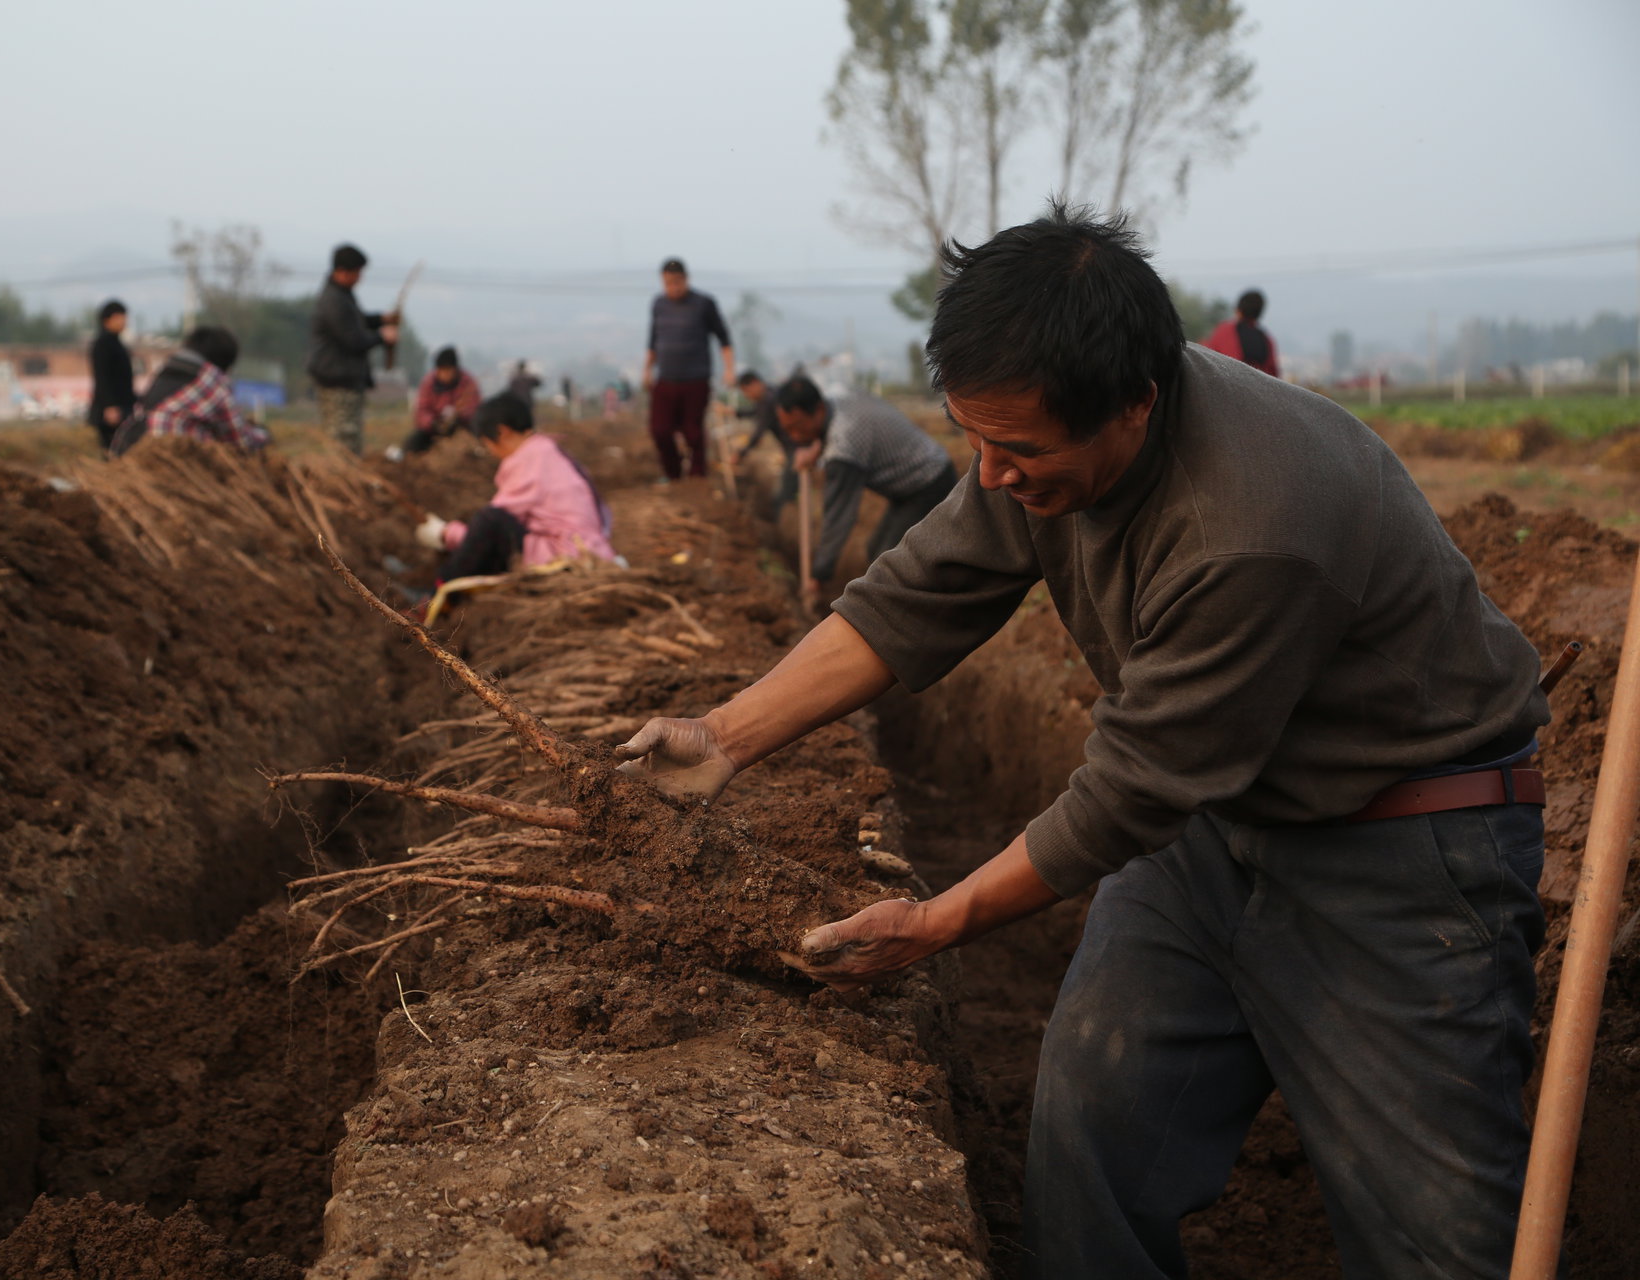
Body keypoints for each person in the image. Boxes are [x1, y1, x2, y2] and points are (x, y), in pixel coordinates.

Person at [616, 206, 1551, 1278]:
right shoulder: (1040, 425)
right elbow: (918, 592)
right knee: (1090, 1135)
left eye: (1016, 451)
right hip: (1211, 828)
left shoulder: (1252, 526)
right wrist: (722, 735)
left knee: (1428, 1233)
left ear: (1136, 406)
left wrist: (935, 920)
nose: (993, 474)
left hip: (1400, 855)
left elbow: (1128, 790)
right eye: (974, 438)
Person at [773, 374, 956, 609]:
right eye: (788, 430)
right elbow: (827, 429)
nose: (794, 436)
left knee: (889, 563)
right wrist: (815, 449)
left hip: (929, 481)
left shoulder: (844, 447)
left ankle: (916, 616)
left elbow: (839, 516)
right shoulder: (836, 400)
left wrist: (818, 574)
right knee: (876, 552)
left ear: (817, 410)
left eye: (797, 427)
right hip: (909, 485)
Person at [415, 392, 617, 582]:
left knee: (489, 520)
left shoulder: (530, 460)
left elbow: (487, 531)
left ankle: (435, 596)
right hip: (590, 549)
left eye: (487, 445)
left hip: (568, 557)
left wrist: (445, 534)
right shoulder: (547, 451)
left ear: (502, 432)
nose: (491, 453)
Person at [112, 326, 269, 456]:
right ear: (225, 362)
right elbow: (240, 440)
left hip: (130, 447)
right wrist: (264, 437)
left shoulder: (167, 371)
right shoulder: (213, 380)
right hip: (173, 458)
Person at [643, 257, 734, 482]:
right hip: (666, 379)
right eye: (667, 283)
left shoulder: (704, 303)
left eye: (676, 282)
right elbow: (653, 341)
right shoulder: (659, 304)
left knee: (692, 431)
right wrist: (647, 370)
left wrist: (729, 369)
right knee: (660, 430)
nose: (672, 288)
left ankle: (697, 476)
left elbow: (724, 339)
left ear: (685, 279)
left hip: (695, 379)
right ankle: (673, 474)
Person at [308, 244, 399, 454]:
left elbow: (355, 322)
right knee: (343, 440)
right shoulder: (334, 301)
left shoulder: (341, 295)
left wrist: (380, 319)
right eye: (357, 273)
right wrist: (382, 336)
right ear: (342, 271)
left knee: (348, 438)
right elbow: (354, 340)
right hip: (337, 381)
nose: (360, 278)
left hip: (343, 378)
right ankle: (341, 482)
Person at [390, 347, 481, 461]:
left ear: (455, 369)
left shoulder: (468, 384)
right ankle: (403, 459)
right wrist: (433, 423)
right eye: (441, 370)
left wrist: (459, 418)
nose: (444, 374)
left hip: (461, 427)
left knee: (478, 438)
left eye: (448, 370)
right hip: (434, 429)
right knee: (414, 441)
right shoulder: (428, 383)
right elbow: (422, 410)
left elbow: (474, 408)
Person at [733, 370, 798, 519]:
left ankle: (781, 522)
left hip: (795, 448)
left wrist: (741, 453)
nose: (747, 396)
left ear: (755, 384)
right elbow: (756, 412)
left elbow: (759, 430)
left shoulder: (768, 399)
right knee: (791, 485)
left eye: (746, 391)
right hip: (791, 447)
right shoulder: (771, 394)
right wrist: (735, 412)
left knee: (785, 492)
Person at [86, 299, 136, 452]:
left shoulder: (117, 343)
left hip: (123, 405)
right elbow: (102, 377)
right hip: (111, 409)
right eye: (120, 317)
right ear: (107, 320)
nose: (124, 321)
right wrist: (109, 406)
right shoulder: (102, 344)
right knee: (112, 451)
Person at [1201, 288, 1280, 377]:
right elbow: (1273, 374)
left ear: (1239, 310)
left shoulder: (1225, 331)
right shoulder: (1267, 340)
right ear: (1259, 313)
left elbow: (1205, 357)